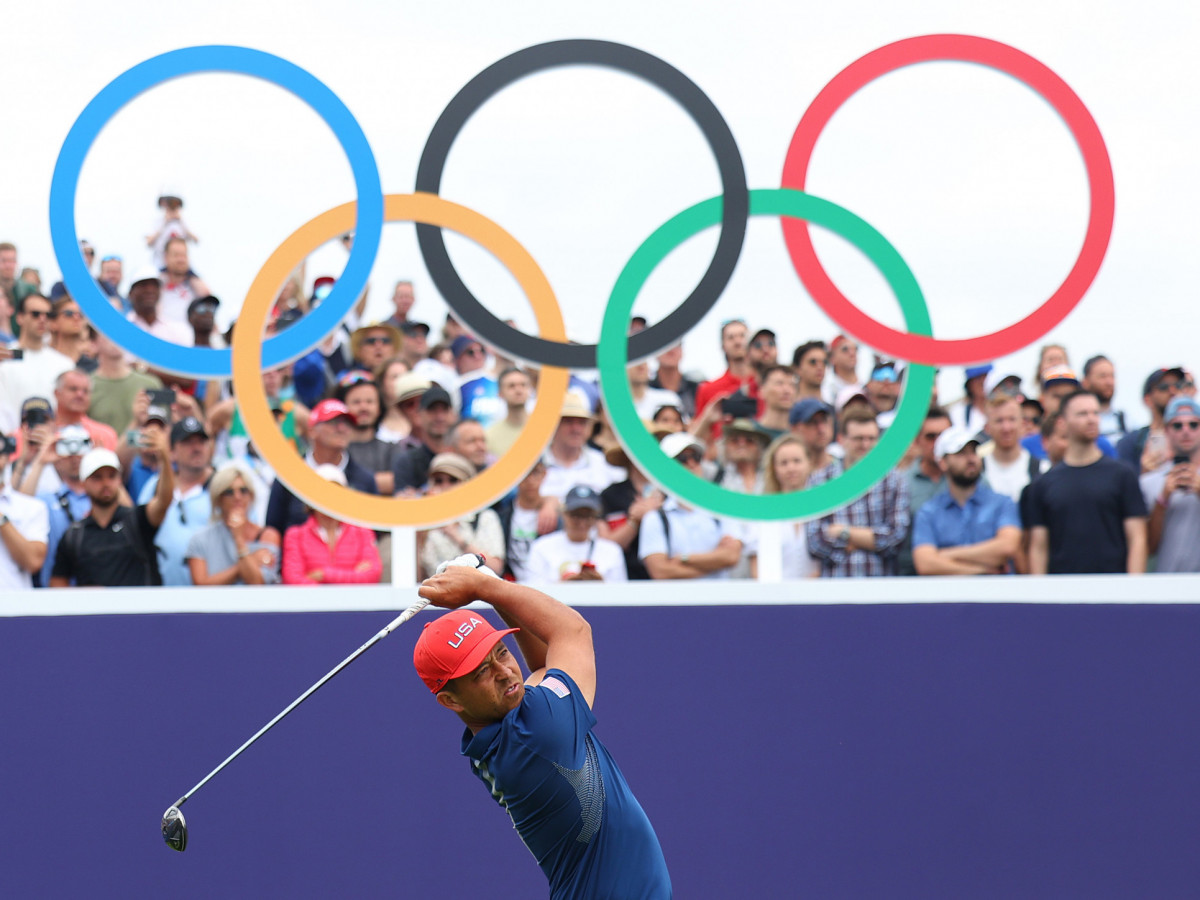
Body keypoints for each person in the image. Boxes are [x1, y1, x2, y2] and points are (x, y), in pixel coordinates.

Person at [413, 560, 671, 898]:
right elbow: (573, 632)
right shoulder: (536, 735)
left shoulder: (508, 727)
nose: (505, 673)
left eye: (501, 652)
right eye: (481, 673)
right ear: (451, 701)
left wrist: (490, 587)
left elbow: (544, 666)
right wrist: (486, 587)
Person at [1027, 390, 1147, 575]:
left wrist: (1133, 590)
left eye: (1095, 413)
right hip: (1062, 592)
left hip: (1114, 589)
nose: (1091, 419)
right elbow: (1039, 546)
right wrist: (1039, 597)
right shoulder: (1043, 484)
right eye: (1082, 414)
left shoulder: (1122, 475)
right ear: (1062, 422)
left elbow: (1137, 537)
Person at [50, 430, 174, 587]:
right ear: (83, 483)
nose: (106, 483)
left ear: (120, 479)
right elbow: (57, 585)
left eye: (112, 476)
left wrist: (164, 458)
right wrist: (83, 595)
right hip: (95, 611)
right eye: (97, 477)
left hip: (141, 611)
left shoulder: (137, 519)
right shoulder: (74, 535)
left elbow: (164, 501)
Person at [807, 407, 910, 577]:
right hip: (834, 589)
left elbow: (896, 539)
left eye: (872, 439)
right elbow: (816, 543)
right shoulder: (820, 481)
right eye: (858, 439)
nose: (865, 445)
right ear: (841, 439)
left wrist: (844, 532)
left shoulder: (895, 480)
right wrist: (871, 542)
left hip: (881, 589)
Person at [911, 427, 1021, 575]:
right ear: (943, 462)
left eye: (974, 452)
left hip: (997, 596)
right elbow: (925, 563)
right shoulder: (929, 511)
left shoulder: (1002, 503)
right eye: (961, 453)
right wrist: (981, 571)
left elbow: (1007, 547)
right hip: (949, 596)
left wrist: (948, 554)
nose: (971, 459)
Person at [266, 399, 378, 538]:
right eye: (334, 422)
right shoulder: (288, 477)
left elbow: (374, 534)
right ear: (312, 431)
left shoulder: (365, 480)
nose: (342, 428)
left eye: (347, 423)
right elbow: (272, 528)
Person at [638, 432, 743, 579]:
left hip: (719, 600)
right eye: (683, 459)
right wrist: (715, 564)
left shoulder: (721, 509)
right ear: (666, 467)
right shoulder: (655, 517)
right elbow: (661, 572)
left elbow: (731, 556)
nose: (692, 463)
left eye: (696, 458)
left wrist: (684, 558)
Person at [137, 416, 215, 586]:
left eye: (201, 442)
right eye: (188, 442)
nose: (197, 448)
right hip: (161, 591)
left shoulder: (224, 487)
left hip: (211, 592)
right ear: (171, 452)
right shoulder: (154, 486)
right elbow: (138, 528)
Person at [281, 464, 382, 585]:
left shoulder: (363, 532)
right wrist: (352, 576)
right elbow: (293, 580)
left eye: (335, 491)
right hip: (311, 604)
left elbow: (372, 575)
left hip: (355, 603)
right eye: (323, 491)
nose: (329, 497)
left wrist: (324, 575)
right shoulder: (295, 535)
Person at [185, 463, 280, 585]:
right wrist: (247, 562)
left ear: (251, 495)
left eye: (243, 490)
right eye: (229, 492)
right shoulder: (200, 540)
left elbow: (257, 582)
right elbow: (201, 586)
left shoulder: (268, 535)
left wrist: (239, 539)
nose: (237, 497)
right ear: (218, 499)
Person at [416, 453, 505, 579]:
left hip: (479, 596)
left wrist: (457, 537)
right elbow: (417, 579)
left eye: (453, 480)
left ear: (467, 484)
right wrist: (418, 537)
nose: (445, 486)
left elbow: (496, 568)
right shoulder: (425, 524)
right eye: (438, 481)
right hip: (437, 596)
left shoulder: (485, 517)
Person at [0, 293, 75, 435]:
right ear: (20, 317)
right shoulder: (4, 358)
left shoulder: (64, 364)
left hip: (51, 442)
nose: (42, 319)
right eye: (35, 314)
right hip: (10, 441)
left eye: (48, 315)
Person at [1140, 396, 1200, 572]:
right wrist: (1162, 500)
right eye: (1177, 425)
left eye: (1194, 425)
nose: (1186, 431)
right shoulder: (1148, 481)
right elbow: (1148, 547)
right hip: (1165, 584)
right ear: (1166, 430)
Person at [525, 485, 627, 583]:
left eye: (588, 516)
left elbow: (620, 591)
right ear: (564, 514)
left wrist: (598, 584)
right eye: (576, 515)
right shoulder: (542, 547)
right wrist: (562, 585)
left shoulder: (611, 551)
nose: (582, 523)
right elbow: (534, 587)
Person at [540, 392, 623, 501]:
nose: (576, 429)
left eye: (582, 423)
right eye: (568, 422)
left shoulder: (603, 464)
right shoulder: (535, 464)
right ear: (554, 425)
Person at [761, 433, 817, 578]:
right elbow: (759, 568)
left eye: (797, 461)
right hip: (776, 597)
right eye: (784, 463)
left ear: (809, 463)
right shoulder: (766, 511)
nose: (791, 468)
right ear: (774, 468)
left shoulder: (822, 509)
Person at [694, 319, 758, 443]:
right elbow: (700, 436)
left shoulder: (765, 384)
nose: (738, 342)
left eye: (742, 336)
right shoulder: (708, 389)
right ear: (723, 346)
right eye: (731, 338)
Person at [0, 429, 50, 590]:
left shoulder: (31, 507)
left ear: (6, 456)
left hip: (14, 609)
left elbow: (33, 561)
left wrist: (2, 519)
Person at [1116, 367, 1186, 475]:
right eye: (1163, 387)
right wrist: (1144, 473)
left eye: (1178, 385)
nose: (1172, 391)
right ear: (1147, 399)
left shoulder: (1194, 438)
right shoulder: (1130, 443)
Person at [980, 395, 1035, 503]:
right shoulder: (978, 471)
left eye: (1012, 419)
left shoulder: (1041, 469)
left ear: (1023, 424)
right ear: (987, 428)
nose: (1006, 428)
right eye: (999, 421)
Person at [158, 237, 211, 325]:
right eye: (176, 255)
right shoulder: (157, 284)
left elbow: (208, 298)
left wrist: (192, 276)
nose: (181, 260)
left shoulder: (195, 285)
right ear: (166, 257)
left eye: (184, 255)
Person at [485, 367, 532, 457]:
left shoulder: (543, 428)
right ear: (500, 393)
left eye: (523, 385)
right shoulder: (490, 435)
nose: (518, 390)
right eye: (511, 386)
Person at [1082, 354, 1126, 442]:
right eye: (1102, 376)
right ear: (1085, 382)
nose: (1109, 382)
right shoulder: (1079, 420)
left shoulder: (1125, 420)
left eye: (1112, 376)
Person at [649, 341, 698, 420]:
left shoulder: (696, 389)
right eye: (665, 345)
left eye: (676, 345)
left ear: (682, 352)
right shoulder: (646, 389)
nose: (671, 350)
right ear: (655, 352)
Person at [754, 365, 798, 440]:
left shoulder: (799, 438)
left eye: (792, 385)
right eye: (779, 383)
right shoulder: (750, 435)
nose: (787, 390)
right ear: (761, 390)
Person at [822, 334, 861, 405]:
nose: (852, 353)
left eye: (855, 349)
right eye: (845, 349)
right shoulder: (826, 391)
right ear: (832, 358)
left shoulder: (867, 388)